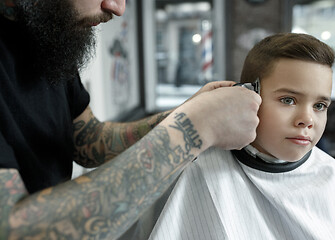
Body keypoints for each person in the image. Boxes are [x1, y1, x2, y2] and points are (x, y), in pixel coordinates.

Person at [0, 0, 262, 239]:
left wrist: (187, 111)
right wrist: (195, 128)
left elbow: (90, 139)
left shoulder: (47, 33)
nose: (117, 7)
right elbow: (15, 230)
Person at [148, 33, 335, 240]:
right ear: (248, 95)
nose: (307, 119)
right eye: (288, 100)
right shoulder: (199, 168)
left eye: (319, 106)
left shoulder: (332, 175)